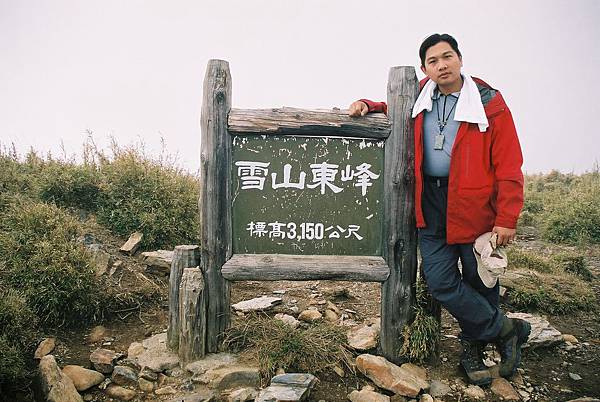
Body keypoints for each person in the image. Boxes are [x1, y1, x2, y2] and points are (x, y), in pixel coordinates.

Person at [348, 33, 530, 386]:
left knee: (480, 281)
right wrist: (368, 104)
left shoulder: (490, 103)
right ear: (424, 69)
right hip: (430, 202)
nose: (441, 65)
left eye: (447, 57)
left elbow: (509, 164)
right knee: (440, 280)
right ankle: (507, 329)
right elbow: (392, 107)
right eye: (433, 61)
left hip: (476, 205)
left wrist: (507, 218)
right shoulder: (418, 95)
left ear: (460, 59)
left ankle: (473, 349)